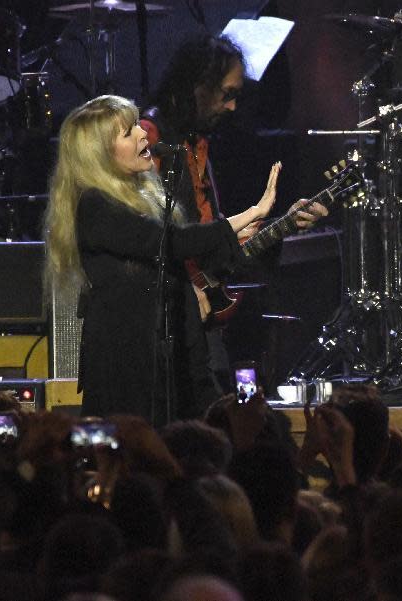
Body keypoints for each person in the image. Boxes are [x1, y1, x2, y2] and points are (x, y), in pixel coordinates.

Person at [43, 95, 280, 424]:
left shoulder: (147, 197)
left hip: (175, 353)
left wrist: (278, 224)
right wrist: (250, 212)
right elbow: (171, 243)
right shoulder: (94, 206)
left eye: (138, 124)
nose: (143, 134)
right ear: (100, 155)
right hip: (129, 364)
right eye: (129, 132)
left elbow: (186, 251)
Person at [140, 34, 328, 393]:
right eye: (227, 94)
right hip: (163, 319)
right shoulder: (149, 138)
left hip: (199, 318)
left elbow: (212, 235)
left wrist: (282, 223)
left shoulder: (197, 143)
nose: (232, 107)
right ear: (197, 86)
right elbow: (146, 236)